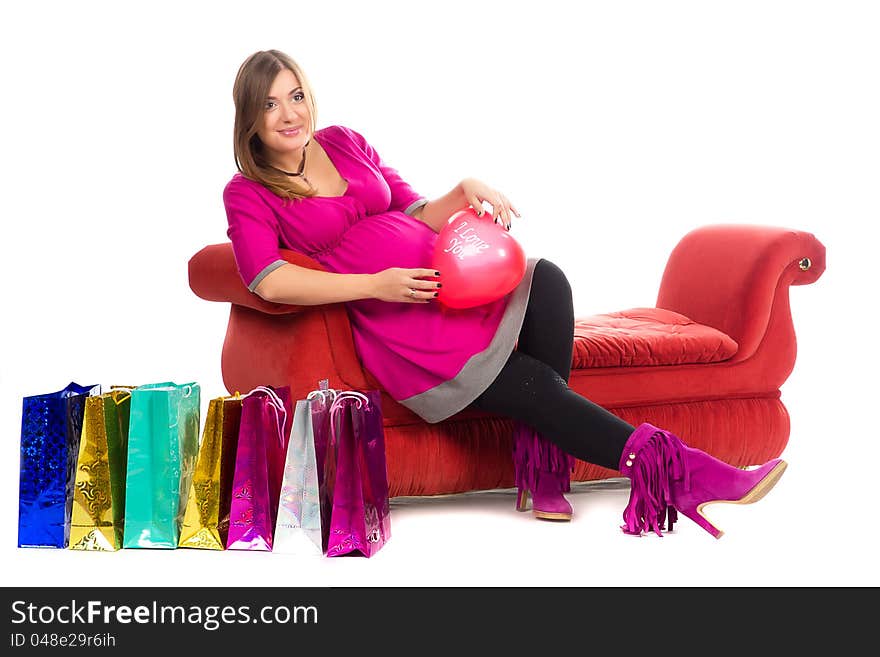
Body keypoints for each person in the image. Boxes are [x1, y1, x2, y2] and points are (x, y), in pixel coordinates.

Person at [223, 49, 787, 538]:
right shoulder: (248, 192)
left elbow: (413, 209)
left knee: (546, 278)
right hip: (404, 325)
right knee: (536, 385)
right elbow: (266, 278)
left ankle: (542, 470)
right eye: (271, 104)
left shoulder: (343, 142)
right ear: (250, 119)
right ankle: (683, 474)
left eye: (296, 95)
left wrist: (463, 191)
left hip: (450, 286)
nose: (290, 113)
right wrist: (375, 284)